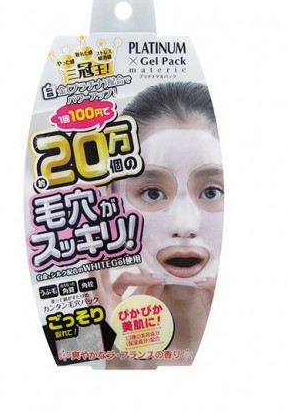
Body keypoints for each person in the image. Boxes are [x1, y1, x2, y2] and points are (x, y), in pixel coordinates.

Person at [94, 81, 224, 368]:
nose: (184, 226)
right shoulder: (84, 339)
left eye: (212, 192)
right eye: (152, 193)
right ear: (112, 200)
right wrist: (115, 359)